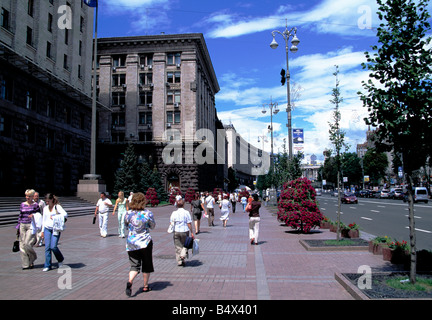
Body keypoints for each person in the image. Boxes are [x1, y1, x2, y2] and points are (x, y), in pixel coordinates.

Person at [124, 192, 155, 296]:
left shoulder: (128, 213)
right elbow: (152, 226)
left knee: (134, 266)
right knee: (146, 264)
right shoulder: (148, 213)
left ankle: (130, 281)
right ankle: (145, 286)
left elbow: (126, 225)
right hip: (145, 242)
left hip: (131, 243)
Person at [41, 193, 68, 271]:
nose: (47, 203)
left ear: (52, 200)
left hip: (55, 229)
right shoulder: (45, 208)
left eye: (48, 201)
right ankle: (47, 265)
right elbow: (44, 220)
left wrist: (55, 217)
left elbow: (65, 214)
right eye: (46, 201)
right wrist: (42, 231)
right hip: (47, 229)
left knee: (53, 246)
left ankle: (60, 259)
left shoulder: (57, 207)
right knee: (47, 247)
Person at [16, 189, 40, 269]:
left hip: (31, 225)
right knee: (22, 245)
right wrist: (18, 227)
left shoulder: (35, 205)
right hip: (22, 225)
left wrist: (33, 215)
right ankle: (25, 264)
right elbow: (20, 215)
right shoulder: (22, 204)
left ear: (32, 197)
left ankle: (33, 257)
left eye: (29, 196)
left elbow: (39, 215)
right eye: (26, 196)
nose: (27, 198)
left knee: (27, 244)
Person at [170, 199, 194, 267]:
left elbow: (171, 222)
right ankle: (183, 256)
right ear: (183, 204)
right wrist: (192, 232)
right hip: (185, 231)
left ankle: (180, 261)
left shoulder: (174, 213)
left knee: (178, 247)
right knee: (185, 245)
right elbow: (189, 223)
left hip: (176, 231)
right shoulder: (186, 212)